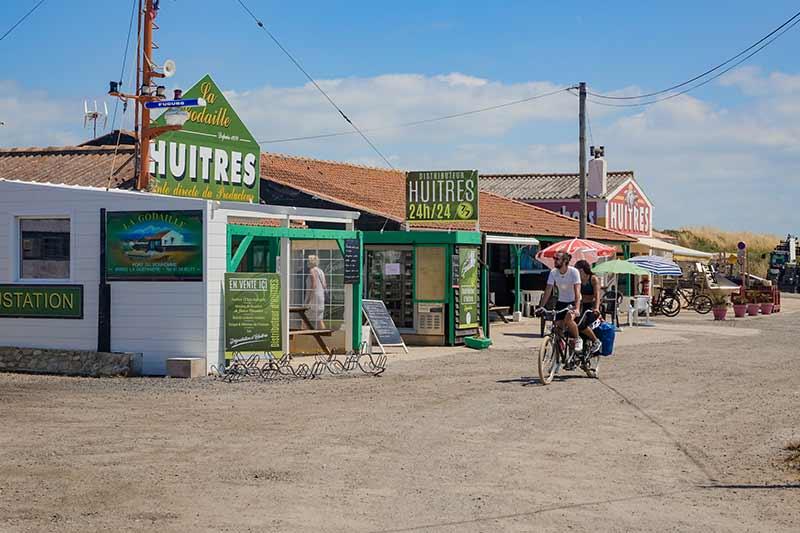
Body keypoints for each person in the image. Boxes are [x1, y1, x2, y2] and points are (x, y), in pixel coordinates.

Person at [539, 252, 584, 351]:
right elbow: (548, 290)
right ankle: (561, 345)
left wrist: (576, 308)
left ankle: (577, 339)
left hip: (573, 301)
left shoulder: (574, 272)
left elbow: (577, 291)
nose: (554, 260)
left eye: (557, 259)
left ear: (565, 261)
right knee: (557, 324)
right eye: (554, 258)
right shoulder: (553, 272)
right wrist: (541, 307)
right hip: (561, 301)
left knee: (568, 319)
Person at [574, 260, 603, 355]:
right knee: (572, 324)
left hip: (592, 306)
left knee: (582, 325)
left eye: (577, 270)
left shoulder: (593, 279)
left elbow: (597, 295)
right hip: (582, 305)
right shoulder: (577, 280)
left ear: (582, 270)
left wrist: (596, 308)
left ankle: (596, 341)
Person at [305, 255, 327, 329]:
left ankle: (300, 337)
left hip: (314, 297)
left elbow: (313, 285)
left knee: (304, 317)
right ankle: (324, 337)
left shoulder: (312, 270)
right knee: (319, 319)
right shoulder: (321, 271)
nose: (306, 262)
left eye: (308, 261)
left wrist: (309, 299)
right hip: (321, 297)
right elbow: (324, 285)